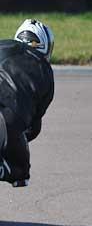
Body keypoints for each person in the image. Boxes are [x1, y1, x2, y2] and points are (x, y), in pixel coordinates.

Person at [0, 19, 55, 187]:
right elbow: (32, 126)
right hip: (6, 121)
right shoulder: (45, 72)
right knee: (21, 173)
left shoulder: (2, 45)